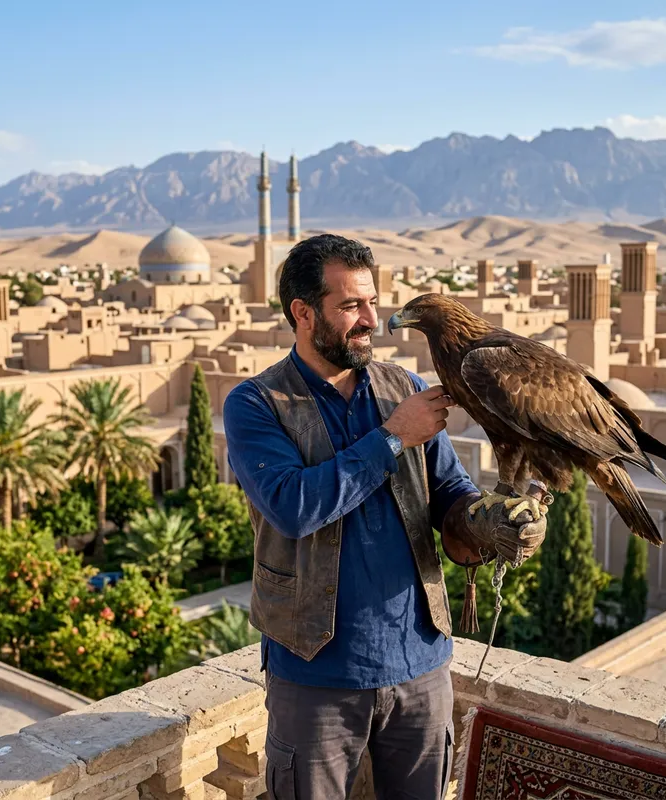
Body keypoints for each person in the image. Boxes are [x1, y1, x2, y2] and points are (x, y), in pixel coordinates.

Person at [223, 234, 547, 800]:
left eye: (372, 302)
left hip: (419, 665)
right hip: (316, 677)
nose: (372, 319)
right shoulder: (257, 404)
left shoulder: (406, 388)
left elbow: (449, 493)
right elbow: (294, 507)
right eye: (350, 305)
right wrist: (394, 437)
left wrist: (489, 522)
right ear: (303, 313)